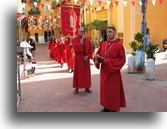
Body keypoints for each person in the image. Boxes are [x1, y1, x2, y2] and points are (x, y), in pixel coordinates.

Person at [94, 27, 126, 112]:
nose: (108, 33)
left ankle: (113, 108)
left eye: (110, 32)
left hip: (113, 71)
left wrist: (109, 61)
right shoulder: (103, 44)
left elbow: (122, 59)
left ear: (115, 33)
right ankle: (106, 106)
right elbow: (98, 54)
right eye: (107, 32)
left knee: (113, 90)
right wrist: (96, 58)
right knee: (105, 90)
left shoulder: (119, 45)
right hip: (104, 71)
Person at [72, 27, 93, 95]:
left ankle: (87, 87)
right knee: (78, 73)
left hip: (86, 59)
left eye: (83, 31)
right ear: (78, 32)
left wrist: (88, 56)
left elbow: (91, 49)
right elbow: (75, 48)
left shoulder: (88, 40)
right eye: (80, 31)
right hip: (78, 58)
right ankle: (76, 88)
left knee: (86, 73)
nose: (82, 33)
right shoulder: (75, 39)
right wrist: (82, 40)